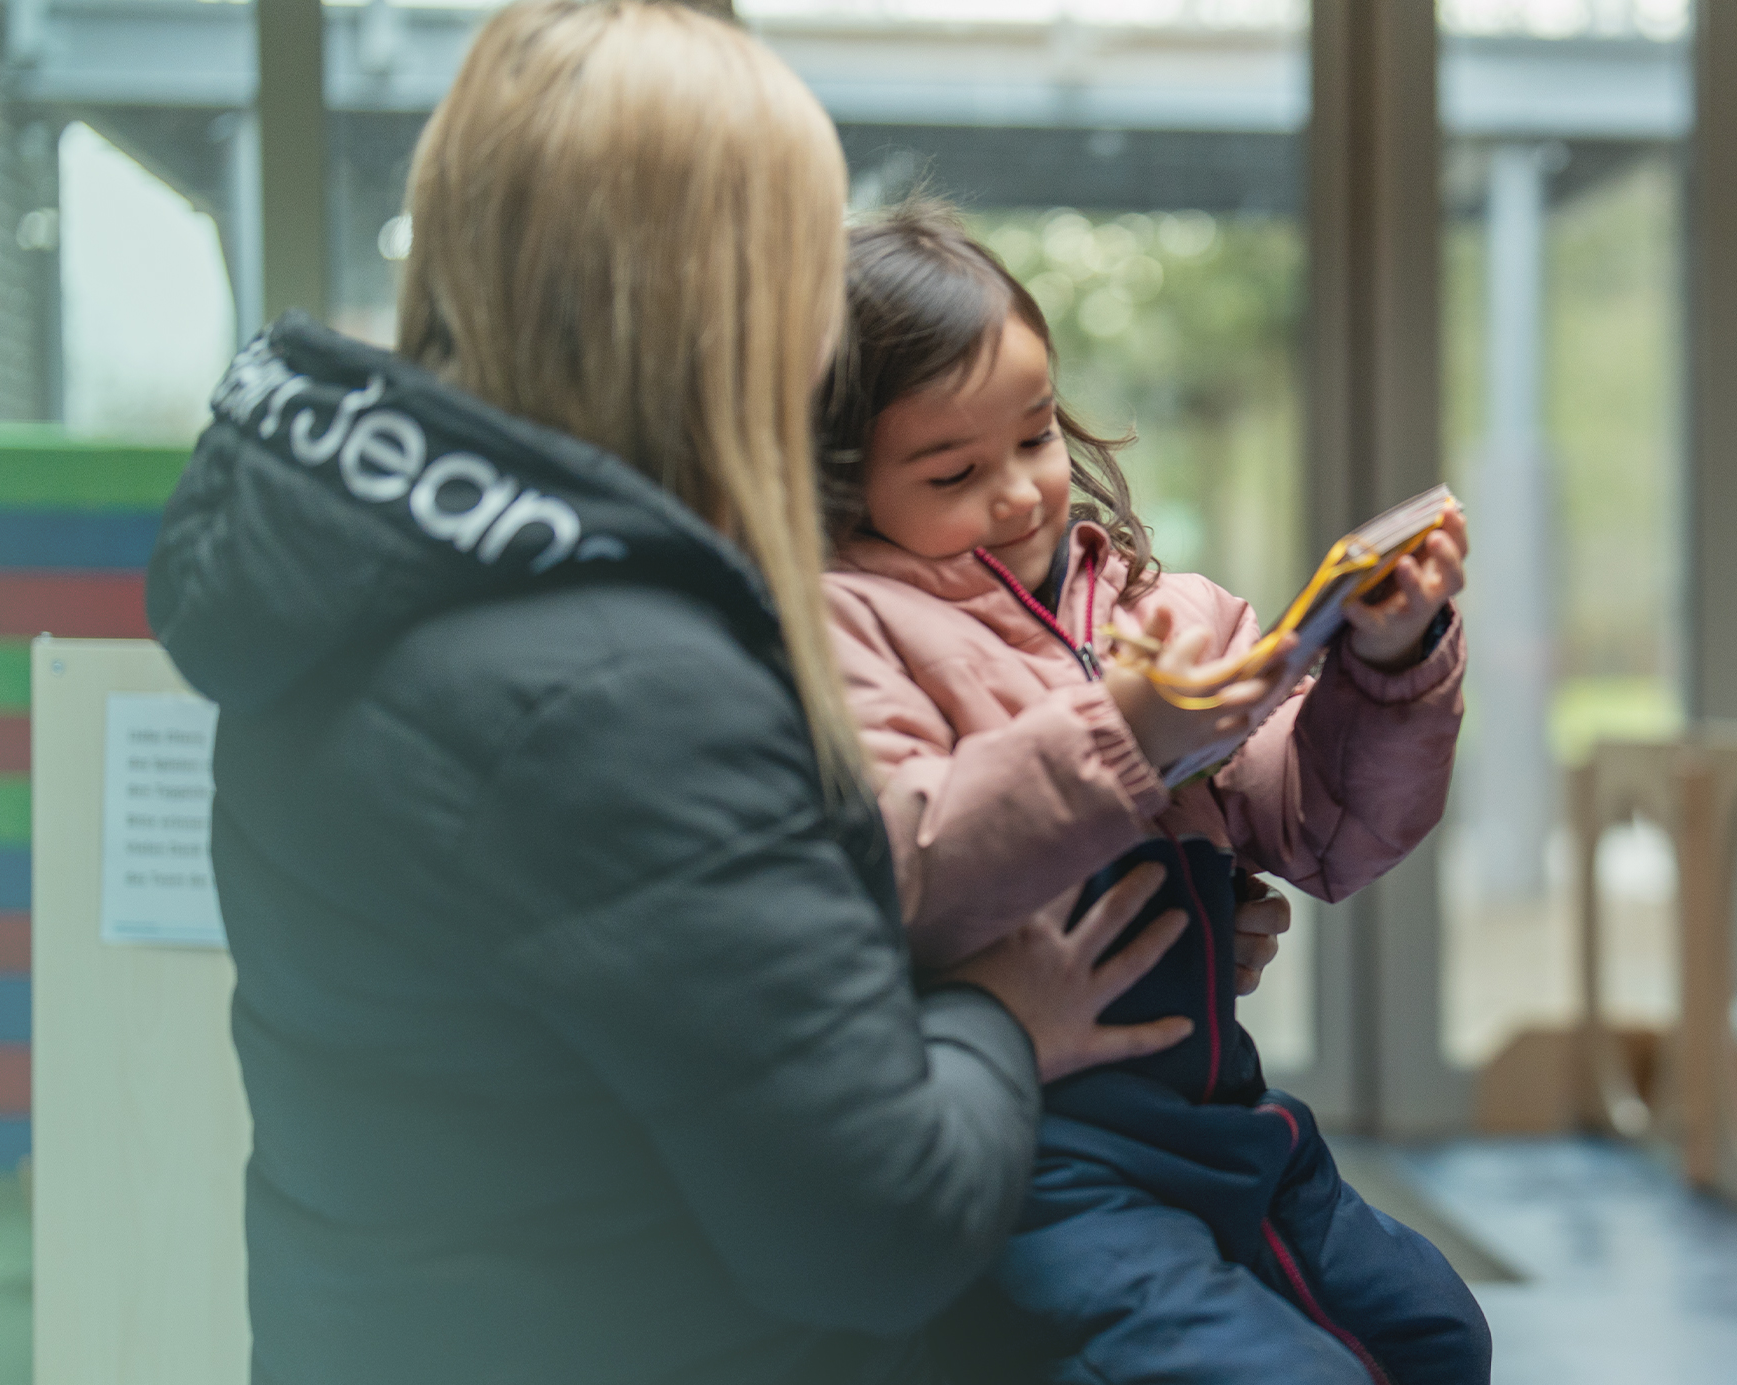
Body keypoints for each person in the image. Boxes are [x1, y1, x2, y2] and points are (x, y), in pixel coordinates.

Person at [144, 6, 1193, 1381]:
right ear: (724, 296)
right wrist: (1006, 1008)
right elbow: (878, 1227)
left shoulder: (365, 577)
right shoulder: (618, 689)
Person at [811, 199, 1488, 1385]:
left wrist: (1381, 667)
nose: (1021, 493)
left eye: (1032, 438)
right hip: (1044, 1154)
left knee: (1432, 1334)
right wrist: (1120, 733)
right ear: (844, 482)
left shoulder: (1146, 600)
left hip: (1227, 1118)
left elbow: (1317, 830)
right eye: (952, 470)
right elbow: (906, 863)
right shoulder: (849, 622)